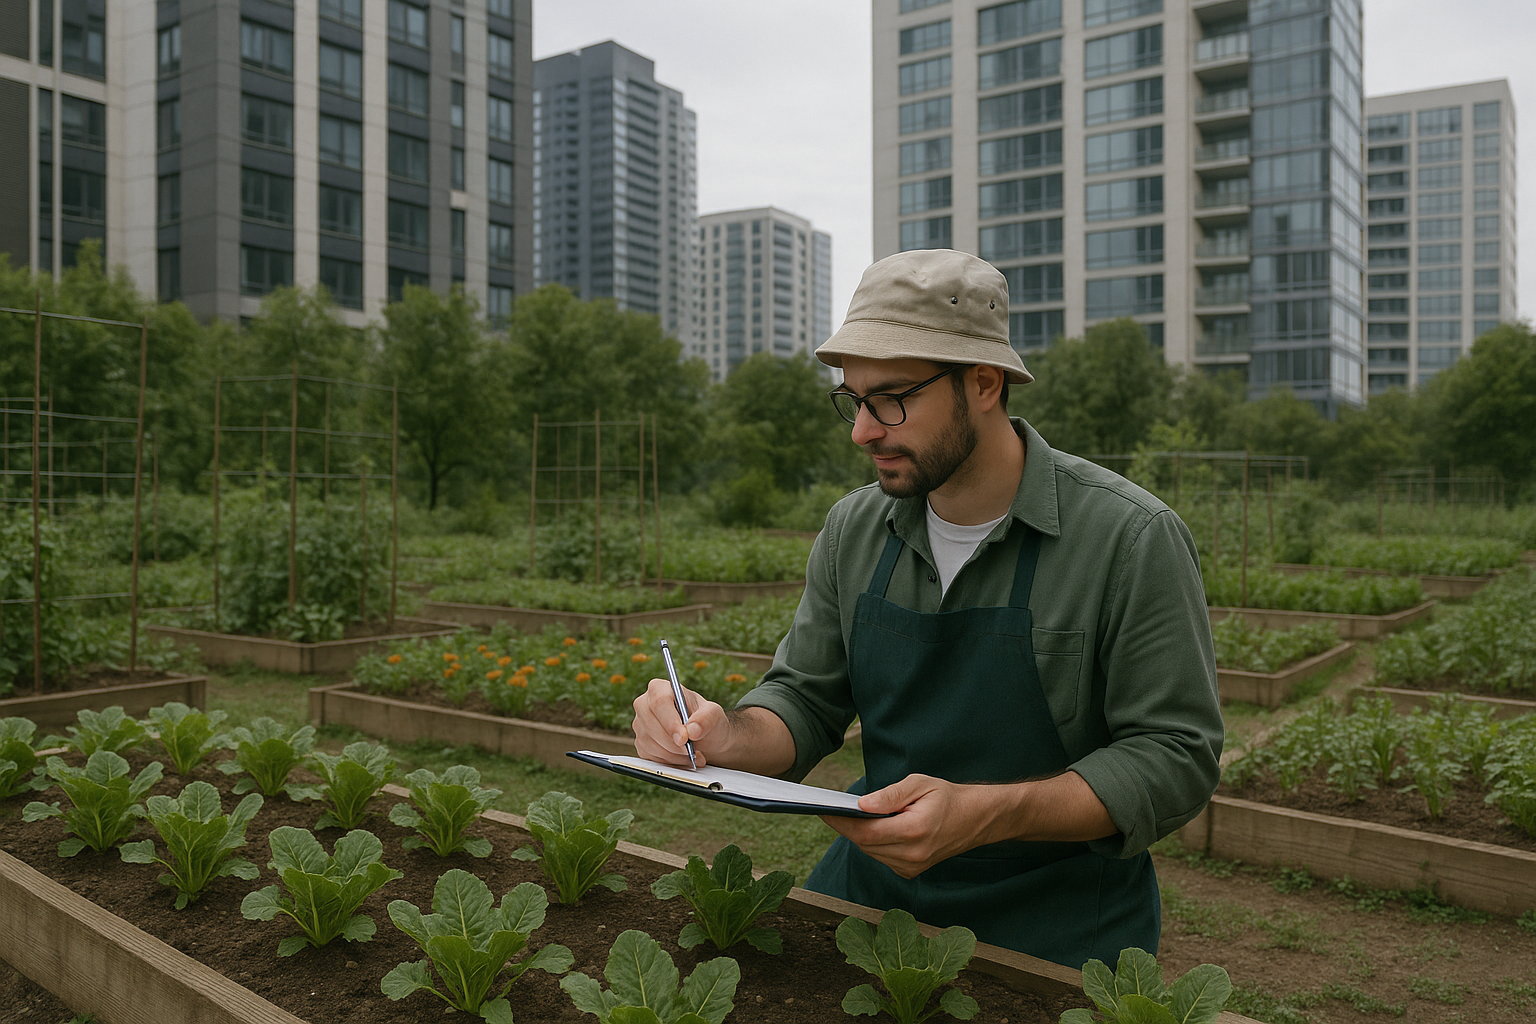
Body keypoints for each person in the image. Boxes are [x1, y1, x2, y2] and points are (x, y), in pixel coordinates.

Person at [632, 248, 1223, 969]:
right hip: (870, 903)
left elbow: (1175, 756)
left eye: (891, 399)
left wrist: (991, 812)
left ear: (983, 382)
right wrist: (723, 737)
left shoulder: (1128, 539)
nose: (862, 431)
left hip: (1058, 928)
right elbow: (805, 701)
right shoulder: (857, 529)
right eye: (853, 400)